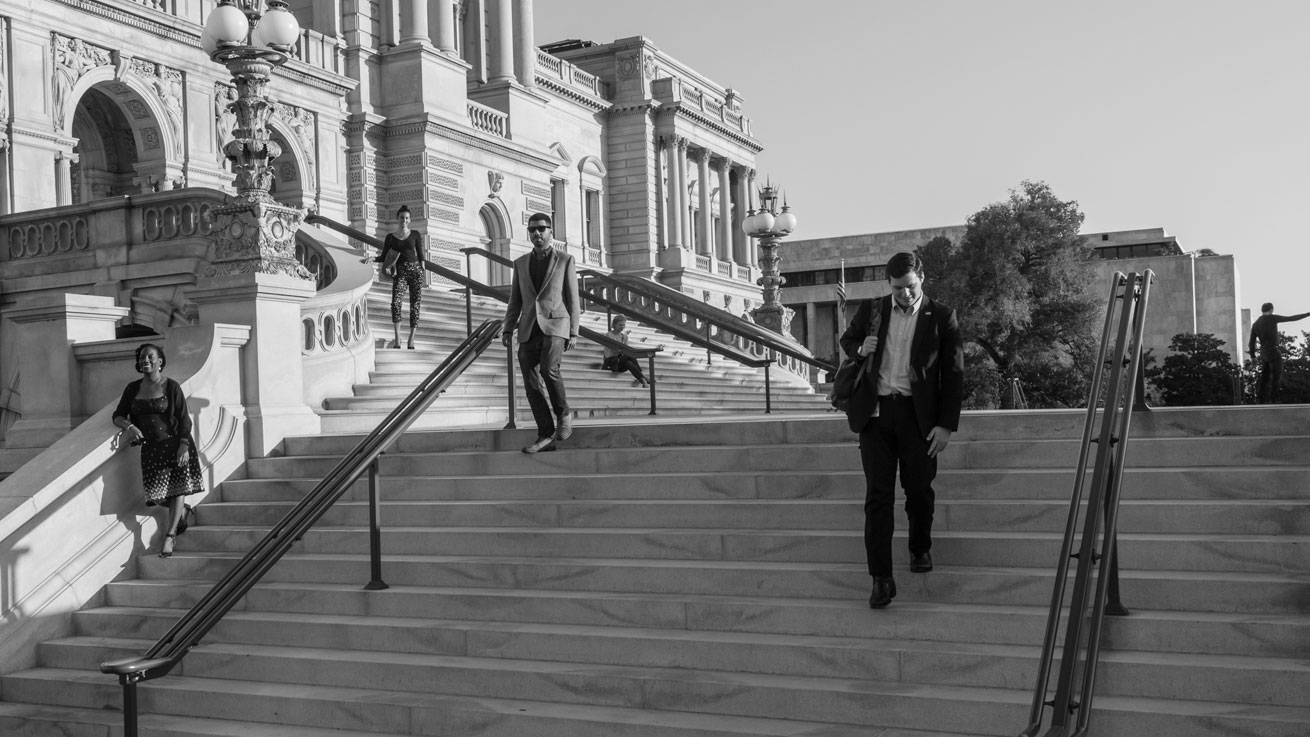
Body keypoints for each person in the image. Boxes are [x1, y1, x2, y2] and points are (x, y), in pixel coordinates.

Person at [839, 252, 964, 609]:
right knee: (877, 499)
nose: (904, 294)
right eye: (897, 288)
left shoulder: (942, 317)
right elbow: (849, 340)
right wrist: (861, 348)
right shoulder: (874, 310)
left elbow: (953, 375)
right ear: (888, 285)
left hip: (918, 419)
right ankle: (880, 579)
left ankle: (919, 547)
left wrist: (945, 425)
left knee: (919, 491)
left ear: (921, 277)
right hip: (876, 416)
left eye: (909, 286)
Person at [112, 343, 204, 558]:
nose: (146, 360)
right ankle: (181, 511)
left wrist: (183, 446)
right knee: (157, 496)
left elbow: (183, 419)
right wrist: (130, 427)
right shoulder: (132, 388)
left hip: (175, 445)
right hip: (151, 450)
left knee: (178, 489)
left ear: (160, 361)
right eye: (142, 357)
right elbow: (117, 415)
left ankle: (169, 536)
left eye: (150, 357)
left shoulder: (171, 386)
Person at [502, 213, 580, 453]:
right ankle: (545, 434)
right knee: (531, 384)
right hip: (528, 328)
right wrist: (507, 327)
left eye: (542, 229)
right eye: (532, 229)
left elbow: (572, 298)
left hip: (556, 325)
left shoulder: (565, 260)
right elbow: (515, 300)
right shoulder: (520, 263)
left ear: (550, 232)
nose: (537, 233)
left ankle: (563, 414)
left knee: (549, 369)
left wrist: (574, 331)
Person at [377, 205, 426, 349]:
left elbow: (420, 254)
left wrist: (423, 268)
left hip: (415, 271)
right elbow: (384, 256)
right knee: (396, 303)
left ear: (409, 220)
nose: (403, 220)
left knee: (415, 305)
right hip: (400, 273)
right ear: (397, 219)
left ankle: (412, 338)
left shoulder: (415, 234)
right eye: (401, 218)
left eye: (406, 218)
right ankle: (398, 338)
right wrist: (371, 259)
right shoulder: (390, 237)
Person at [1248, 302, 1310, 404]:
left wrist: (1253, 357)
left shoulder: (1255, 324)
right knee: (1277, 375)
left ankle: (1260, 399)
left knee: (1265, 376)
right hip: (1273, 351)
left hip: (1263, 353)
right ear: (1271, 310)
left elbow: (1251, 343)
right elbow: (1291, 318)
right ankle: (1274, 399)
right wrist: (1308, 314)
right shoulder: (1272, 318)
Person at [601, 315, 649, 387]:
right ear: (614, 324)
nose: (622, 327)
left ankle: (642, 379)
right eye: (620, 325)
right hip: (611, 362)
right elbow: (615, 350)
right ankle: (642, 377)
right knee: (628, 357)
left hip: (621, 361)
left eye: (623, 325)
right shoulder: (609, 335)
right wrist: (623, 351)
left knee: (628, 362)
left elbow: (626, 350)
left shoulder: (625, 337)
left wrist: (623, 352)